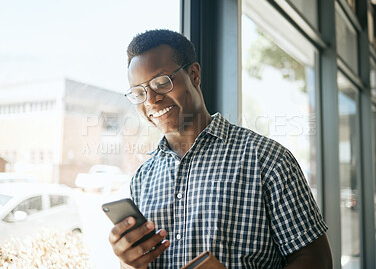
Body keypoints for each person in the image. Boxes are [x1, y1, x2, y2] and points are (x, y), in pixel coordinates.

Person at [108, 29, 332, 269]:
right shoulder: (143, 178)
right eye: (139, 92)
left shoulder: (268, 160)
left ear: (194, 75)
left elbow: (315, 260)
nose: (151, 100)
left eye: (162, 83)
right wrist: (129, 261)